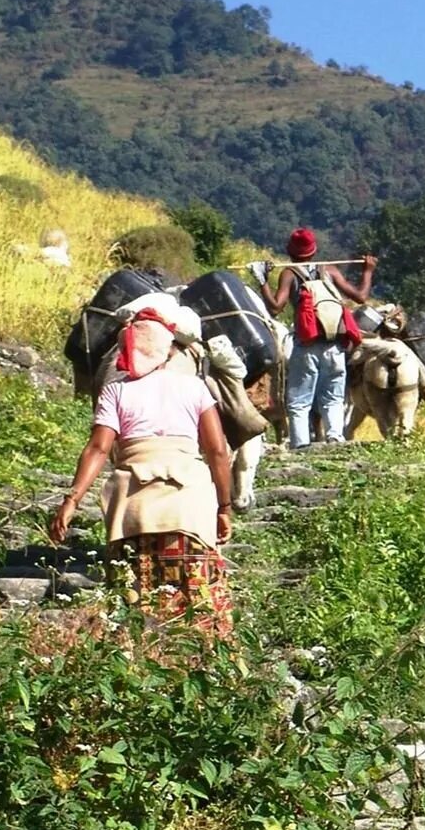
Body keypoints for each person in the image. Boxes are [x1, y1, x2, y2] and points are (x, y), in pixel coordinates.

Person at [49, 308, 235, 633]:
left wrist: (72, 500)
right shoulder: (194, 388)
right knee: (199, 595)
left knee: (135, 596)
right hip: (188, 502)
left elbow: (98, 448)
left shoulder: (116, 391)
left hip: (134, 505)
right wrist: (224, 506)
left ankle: (139, 661)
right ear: (165, 350)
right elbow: (217, 450)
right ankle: (206, 661)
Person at [258, 228, 376, 449]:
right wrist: (368, 271)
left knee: (299, 400)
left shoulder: (290, 274)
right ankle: (335, 439)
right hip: (335, 347)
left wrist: (262, 280)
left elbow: (275, 308)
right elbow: (361, 297)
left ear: (289, 251)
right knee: (333, 397)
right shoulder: (329, 270)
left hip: (307, 346)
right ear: (314, 250)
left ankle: (301, 445)